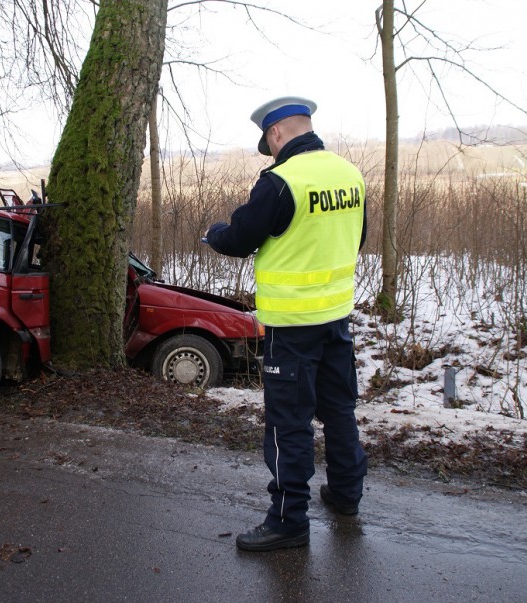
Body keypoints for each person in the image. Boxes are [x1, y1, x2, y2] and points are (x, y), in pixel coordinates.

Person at [205, 96, 368, 552]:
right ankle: (346, 495)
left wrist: (214, 233)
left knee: (288, 424)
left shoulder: (280, 182)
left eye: (269, 143)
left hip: (292, 326)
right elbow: (358, 238)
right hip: (336, 319)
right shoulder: (349, 174)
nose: (271, 151)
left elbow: (238, 239)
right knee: (338, 409)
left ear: (276, 134)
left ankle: (288, 520)